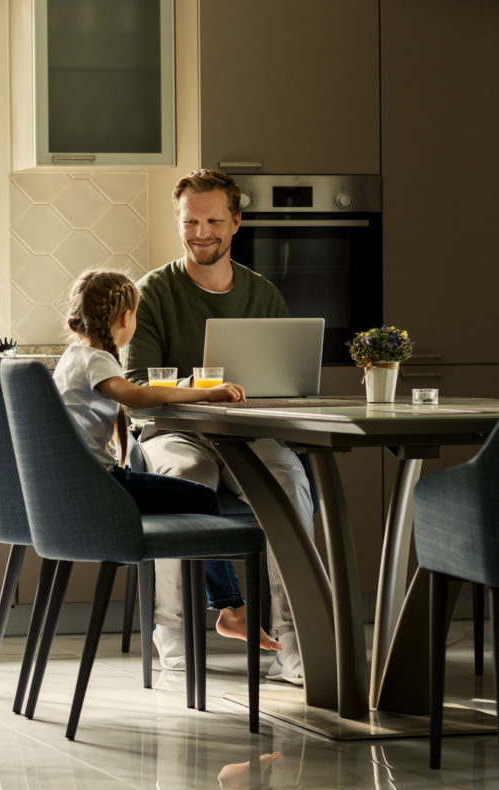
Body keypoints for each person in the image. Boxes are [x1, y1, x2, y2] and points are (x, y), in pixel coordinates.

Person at [126, 169, 314, 684]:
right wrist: (204, 388)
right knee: (183, 479)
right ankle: (176, 641)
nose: (200, 232)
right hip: (173, 434)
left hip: (247, 434)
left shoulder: (263, 295)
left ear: (236, 223)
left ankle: (296, 648)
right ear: (178, 222)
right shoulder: (153, 293)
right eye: (190, 221)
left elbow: (285, 383)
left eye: (212, 220)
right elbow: (138, 382)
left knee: (291, 484)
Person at [53, 268, 281, 650]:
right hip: (102, 485)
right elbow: (137, 396)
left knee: (187, 497)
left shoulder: (73, 356)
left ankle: (224, 611)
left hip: (81, 483)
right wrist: (204, 394)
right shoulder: (97, 360)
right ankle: (231, 610)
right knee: (201, 498)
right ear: (125, 318)